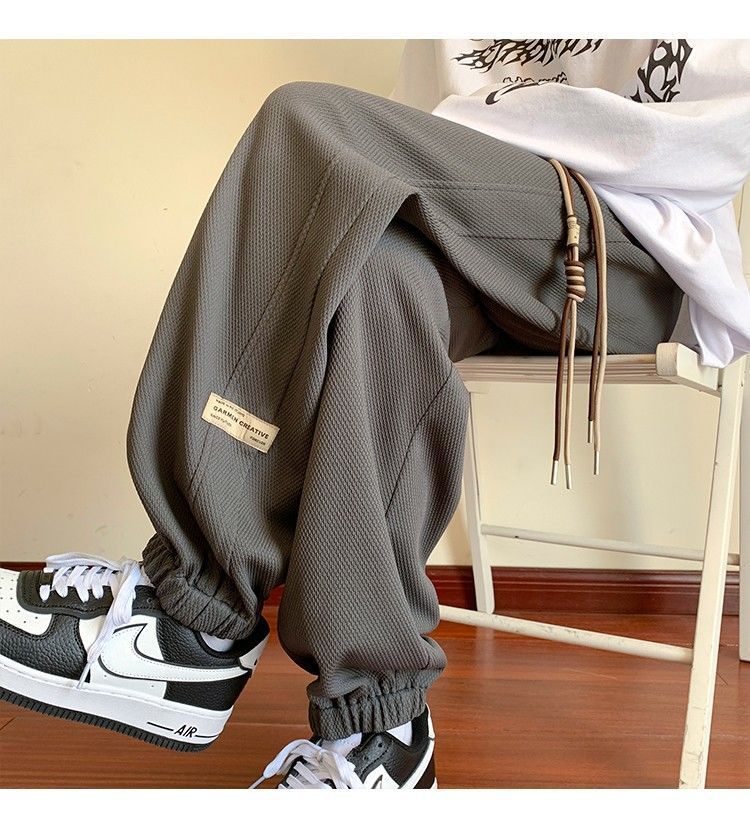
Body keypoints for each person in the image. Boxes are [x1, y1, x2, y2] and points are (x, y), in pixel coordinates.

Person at [0, 38, 747, 790]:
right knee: (380, 277)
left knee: (306, 120)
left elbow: (719, 141)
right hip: (471, 222)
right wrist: (457, 159)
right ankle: (381, 724)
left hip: (628, 246)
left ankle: (194, 616)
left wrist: (500, 145)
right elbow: (431, 115)